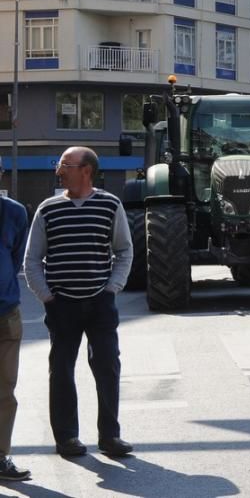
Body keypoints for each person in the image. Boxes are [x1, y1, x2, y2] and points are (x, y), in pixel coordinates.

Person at [23, 147, 134, 458]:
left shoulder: (110, 205)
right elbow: (32, 259)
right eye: (60, 164)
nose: (59, 170)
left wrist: (113, 287)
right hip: (62, 306)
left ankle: (110, 436)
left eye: (65, 165)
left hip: (100, 303)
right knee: (61, 370)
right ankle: (67, 439)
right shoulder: (48, 209)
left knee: (108, 366)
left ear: (86, 170)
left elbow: (124, 251)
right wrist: (46, 296)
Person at [0, 156, 30, 481]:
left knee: (5, 390)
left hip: (6, 312)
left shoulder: (15, 212)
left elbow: (15, 257)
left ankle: (0, 457)